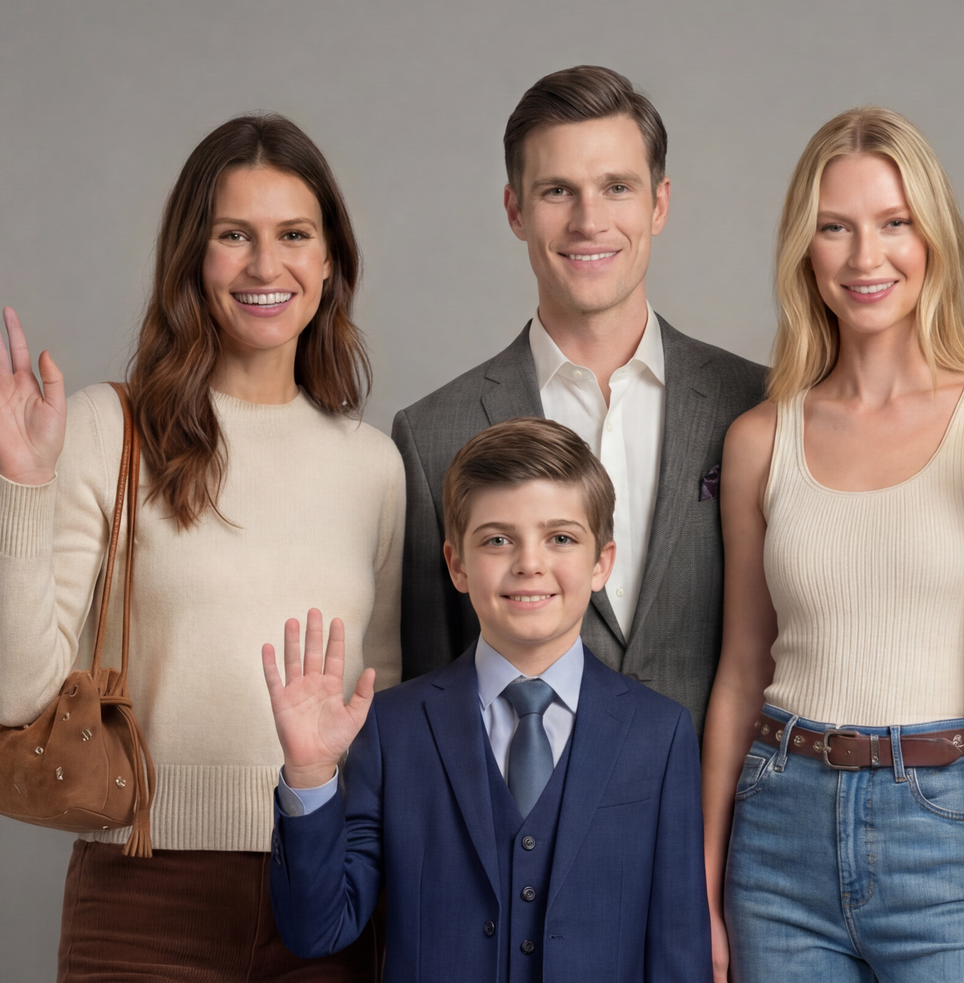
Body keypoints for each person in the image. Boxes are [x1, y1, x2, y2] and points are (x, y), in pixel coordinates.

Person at [0, 114, 402, 982]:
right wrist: (24, 484)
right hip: (145, 897)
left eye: (294, 235)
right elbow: (13, 693)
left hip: (325, 894)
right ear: (192, 257)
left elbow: (386, 714)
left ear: (330, 259)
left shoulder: (373, 465)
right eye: (234, 235)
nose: (266, 266)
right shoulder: (105, 429)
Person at [702, 107, 964, 983]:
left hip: (951, 832)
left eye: (894, 223)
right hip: (778, 831)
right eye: (836, 227)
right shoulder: (760, 439)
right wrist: (702, 888)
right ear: (804, 250)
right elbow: (741, 670)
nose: (867, 257)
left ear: (933, 238)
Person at [265, 417, 710, 983]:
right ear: (457, 565)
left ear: (602, 562)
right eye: (498, 540)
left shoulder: (659, 732)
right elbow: (317, 930)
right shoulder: (393, 728)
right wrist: (309, 775)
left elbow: (678, 951)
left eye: (561, 538)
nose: (529, 563)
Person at [392, 65, 768, 725]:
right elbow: (431, 698)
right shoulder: (432, 434)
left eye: (616, 187)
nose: (589, 221)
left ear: (659, 204)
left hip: (716, 790)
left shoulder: (757, 404)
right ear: (515, 210)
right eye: (557, 191)